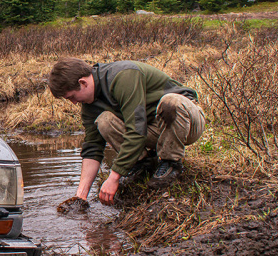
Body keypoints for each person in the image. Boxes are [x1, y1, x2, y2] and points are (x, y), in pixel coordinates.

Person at [48, 58, 205, 207]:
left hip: (186, 123)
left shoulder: (123, 76)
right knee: (104, 121)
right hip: (153, 130)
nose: (74, 103)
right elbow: (92, 149)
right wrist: (80, 196)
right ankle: (143, 163)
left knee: (171, 102)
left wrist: (114, 177)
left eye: (72, 97)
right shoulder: (90, 106)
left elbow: (136, 130)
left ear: (83, 83)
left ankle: (171, 162)